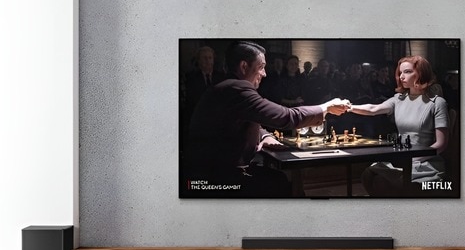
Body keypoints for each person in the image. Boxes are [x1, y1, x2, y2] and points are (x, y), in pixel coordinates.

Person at [185, 41, 349, 197]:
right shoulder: (237, 89)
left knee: (278, 179)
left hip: (208, 171)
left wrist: (265, 136)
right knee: (279, 182)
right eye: (261, 67)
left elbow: (246, 120)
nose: (264, 73)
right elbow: (287, 116)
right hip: (215, 177)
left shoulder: (225, 85)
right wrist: (326, 107)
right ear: (244, 66)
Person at [345, 56, 450, 196]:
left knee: (402, 184)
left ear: (421, 73)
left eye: (407, 72)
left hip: (426, 164)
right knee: (368, 174)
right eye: (400, 73)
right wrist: (348, 107)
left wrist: (412, 158)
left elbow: (441, 144)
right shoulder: (399, 99)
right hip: (402, 160)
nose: (401, 76)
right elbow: (373, 109)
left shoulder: (437, 103)